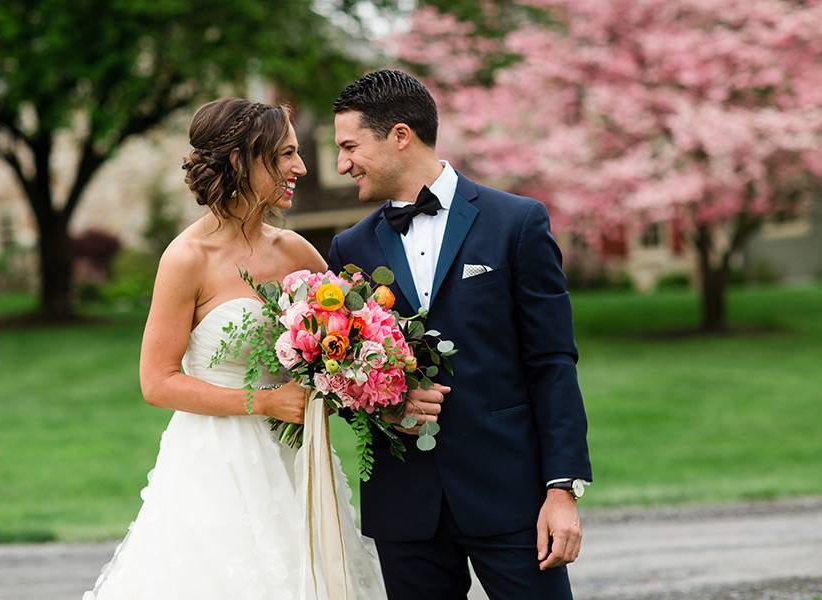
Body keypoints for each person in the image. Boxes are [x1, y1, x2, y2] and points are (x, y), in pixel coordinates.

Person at [83, 98, 386, 599]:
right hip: (218, 464)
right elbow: (157, 382)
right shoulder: (186, 259)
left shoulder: (298, 253)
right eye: (286, 154)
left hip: (299, 460)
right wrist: (262, 401)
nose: (301, 167)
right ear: (243, 160)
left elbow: (341, 345)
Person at [327, 69, 593, 599]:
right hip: (405, 507)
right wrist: (384, 407)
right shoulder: (348, 249)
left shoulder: (517, 223)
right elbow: (339, 375)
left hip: (511, 497)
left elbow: (553, 362)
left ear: (400, 135)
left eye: (350, 145)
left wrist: (562, 488)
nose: (341, 163)